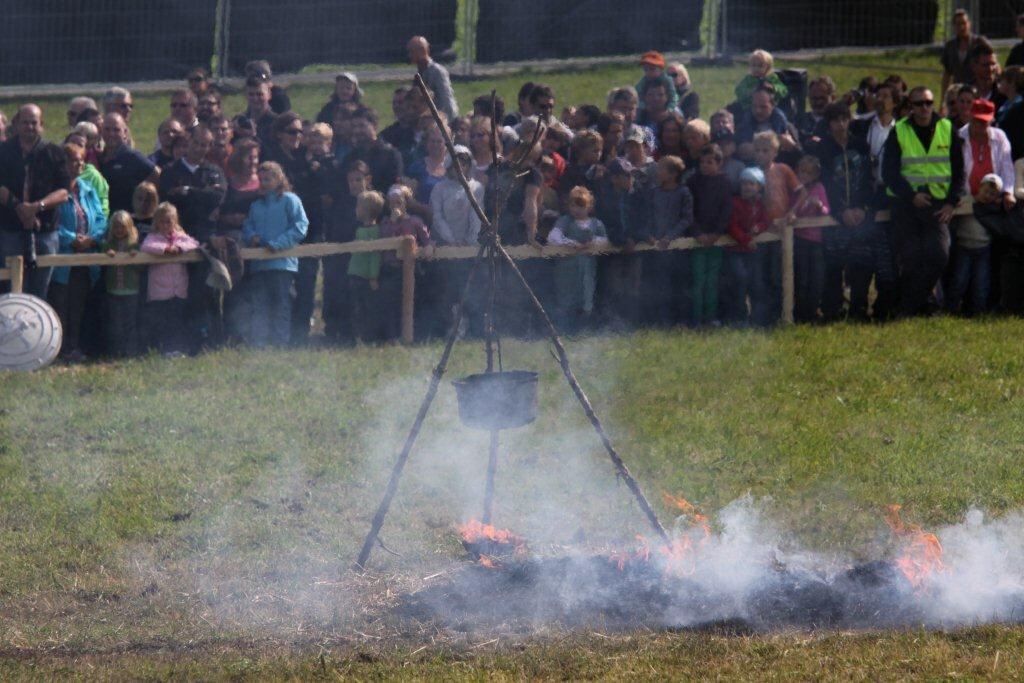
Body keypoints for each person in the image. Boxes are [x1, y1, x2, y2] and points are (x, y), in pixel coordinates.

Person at [883, 86, 964, 317]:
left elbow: (959, 171)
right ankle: (919, 305)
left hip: (937, 204)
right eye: (919, 104)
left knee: (939, 255)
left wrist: (951, 202)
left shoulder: (948, 128)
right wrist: (911, 196)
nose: (924, 108)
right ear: (910, 107)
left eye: (928, 102)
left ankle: (907, 306)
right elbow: (889, 172)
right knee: (910, 257)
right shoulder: (899, 131)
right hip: (906, 204)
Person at [816, 103, 890, 321]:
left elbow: (868, 179)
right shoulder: (823, 148)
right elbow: (825, 182)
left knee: (860, 262)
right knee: (833, 264)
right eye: (835, 120)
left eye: (844, 119)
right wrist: (840, 211)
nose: (840, 124)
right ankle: (832, 309)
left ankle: (858, 308)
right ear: (828, 123)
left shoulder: (861, 146)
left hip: (859, 213)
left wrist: (861, 208)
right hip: (834, 215)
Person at [949, 100, 1015, 315]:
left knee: (988, 259)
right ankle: (956, 303)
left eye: (985, 123)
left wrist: (1007, 192)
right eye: (977, 122)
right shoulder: (959, 137)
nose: (981, 127)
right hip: (968, 202)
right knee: (965, 254)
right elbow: (958, 172)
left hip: (992, 203)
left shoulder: (1000, 138)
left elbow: (1006, 167)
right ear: (970, 117)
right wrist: (972, 197)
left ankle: (981, 304)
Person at [0, 104, 71, 297]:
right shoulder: (3, 151)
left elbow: (64, 191)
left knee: (40, 291)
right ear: (16, 124)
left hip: (45, 231)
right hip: (10, 230)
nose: (29, 127)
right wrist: (19, 208)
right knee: (10, 289)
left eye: (34, 123)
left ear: (41, 125)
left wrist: (36, 207)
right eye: (25, 122)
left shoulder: (54, 152)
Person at [48, 141, 106, 360]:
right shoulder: (54, 190)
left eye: (81, 160)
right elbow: (50, 224)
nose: (78, 164)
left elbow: (100, 218)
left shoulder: (88, 190)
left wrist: (92, 238)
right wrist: (73, 239)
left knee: (78, 306)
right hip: (62, 259)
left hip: (85, 258)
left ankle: (73, 347)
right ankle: (57, 351)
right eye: (73, 160)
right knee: (60, 304)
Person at [242, 161, 308, 347]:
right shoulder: (256, 206)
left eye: (268, 179)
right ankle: (259, 344)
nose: (263, 183)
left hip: (282, 264)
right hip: (260, 264)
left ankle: (281, 343)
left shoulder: (290, 200)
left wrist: (278, 245)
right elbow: (248, 226)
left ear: (279, 179)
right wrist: (251, 236)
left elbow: (300, 226)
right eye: (261, 179)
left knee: (281, 305)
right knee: (259, 305)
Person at [754, 130, 805, 325]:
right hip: (760, 232)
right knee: (759, 277)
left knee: (777, 275)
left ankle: (778, 315)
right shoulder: (752, 173)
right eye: (757, 150)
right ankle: (761, 317)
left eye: (765, 150)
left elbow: (801, 192)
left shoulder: (783, 169)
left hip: (781, 232)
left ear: (775, 151)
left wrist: (792, 212)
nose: (761, 154)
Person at [593, 158, 649, 329]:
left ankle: (631, 321)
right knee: (613, 286)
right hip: (613, 250)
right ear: (614, 178)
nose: (630, 178)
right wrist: (621, 240)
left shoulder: (638, 195)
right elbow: (604, 224)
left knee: (633, 286)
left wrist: (635, 238)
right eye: (625, 175)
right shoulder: (603, 198)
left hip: (635, 248)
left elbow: (643, 220)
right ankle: (612, 322)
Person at [140, 202, 199, 356]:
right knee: (162, 322)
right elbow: (146, 247)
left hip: (178, 288)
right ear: (157, 222)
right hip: (160, 290)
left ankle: (178, 348)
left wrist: (179, 248)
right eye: (163, 221)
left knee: (177, 320)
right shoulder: (153, 237)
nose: (166, 225)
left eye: (169, 221)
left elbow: (194, 243)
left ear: (175, 222)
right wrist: (166, 249)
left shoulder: (181, 237)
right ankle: (163, 349)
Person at [547, 185, 608, 331]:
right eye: (573, 205)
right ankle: (563, 328)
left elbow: (604, 240)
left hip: (587, 267)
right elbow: (553, 237)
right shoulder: (565, 221)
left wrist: (592, 243)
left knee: (586, 296)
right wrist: (570, 243)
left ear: (589, 206)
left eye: (581, 206)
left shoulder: (596, 223)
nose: (577, 209)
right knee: (566, 297)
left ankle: (583, 329)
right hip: (566, 268)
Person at [644, 154, 694, 326]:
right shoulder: (653, 192)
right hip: (656, 248)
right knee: (658, 284)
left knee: (678, 285)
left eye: (661, 169)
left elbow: (686, 219)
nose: (657, 172)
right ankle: (658, 320)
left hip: (676, 249)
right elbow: (648, 215)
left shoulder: (683, 193)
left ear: (673, 174)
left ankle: (679, 320)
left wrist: (670, 237)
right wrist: (649, 234)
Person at [686, 144, 732, 327]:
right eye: (702, 162)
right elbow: (688, 210)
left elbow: (726, 209)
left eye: (710, 162)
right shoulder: (692, 182)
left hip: (716, 239)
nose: (705, 165)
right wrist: (697, 233)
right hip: (697, 239)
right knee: (698, 280)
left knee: (712, 280)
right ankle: (696, 318)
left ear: (719, 163)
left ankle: (710, 316)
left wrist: (716, 233)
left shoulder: (725, 182)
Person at [379, 184, 431, 340]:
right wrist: (393, 223)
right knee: (391, 304)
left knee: (413, 302)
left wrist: (429, 247)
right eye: (392, 203)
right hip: (391, 268)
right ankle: (392, 337)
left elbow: (426, 238)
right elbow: (384, 239)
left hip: (411, 269)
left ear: (406, 203)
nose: (396, 206)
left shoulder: (415, 221)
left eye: (399, 202)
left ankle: (414, 335)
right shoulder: (386, 223)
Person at [726, 167, 771, 326]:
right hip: (737, 250)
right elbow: (732, 226)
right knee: (740, 280)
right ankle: (739, 317)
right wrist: (746, 239)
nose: (747, 187)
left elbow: (766, 221)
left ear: (759, 186)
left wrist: (758, 227)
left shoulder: (760, 205)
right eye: (744, 183)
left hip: (752, 252)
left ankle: (757, 318)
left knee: (756, 283)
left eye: (751, 183)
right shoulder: (735, 203)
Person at [790, 155, 830, 323]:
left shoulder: (819, 188)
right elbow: (791, 212)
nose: (804, 175)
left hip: (817, 242)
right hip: (800, 240)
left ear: (815, 175)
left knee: (817, 278)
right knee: (802, 278)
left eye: (809, 172)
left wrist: (819, 206)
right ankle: (800, 313)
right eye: (802, 171)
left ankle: (812, 312)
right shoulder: (795, 190)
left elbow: (827, 211)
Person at [99, 112, 159, 214]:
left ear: (125, 133)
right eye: (107, 129)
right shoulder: (98, 156)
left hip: (128, 217)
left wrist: (143, 199)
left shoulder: (131, 156)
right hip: (105, 216)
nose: (111, 134)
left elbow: (156, 173)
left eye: (116, 130)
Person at [101, 211, 142, 357]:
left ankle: (130, 352)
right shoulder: (108, 244)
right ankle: (115, 352)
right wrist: (108, 253)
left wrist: (134, 258)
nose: (119, 230)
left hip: (131, 291)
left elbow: (140, 268)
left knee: (130, 323)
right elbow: (103, 251)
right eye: (116, 227)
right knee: (115, 324)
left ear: (129, 227)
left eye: (122, 227)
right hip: (113, 290)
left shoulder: (134, 245)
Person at [347, 189, 386, 342]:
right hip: (354, 273)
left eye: (359, 206)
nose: (356, 209)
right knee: (355, 307)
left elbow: (374, 256)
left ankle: (367, 337)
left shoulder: (375, 231)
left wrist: (373, 276)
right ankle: (356, 337)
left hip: (365, 276)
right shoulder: (359, 229)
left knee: (366, 308)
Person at [344, 106, 403, 192]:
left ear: (375, 125)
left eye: (361, 126)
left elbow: (395, 187)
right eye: (354, 126)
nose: (357, 130)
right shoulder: (350, 157)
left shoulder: (390, 155)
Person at [407, 36, 458, 121]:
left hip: (442, 120)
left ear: (421, 51)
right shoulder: (420, 73)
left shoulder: (437, 72)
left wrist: (445, 121)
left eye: (412, 52)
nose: (409, 55)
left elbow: (445, 98)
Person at [941, 10, 987, 97]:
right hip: (958, 93)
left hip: (978, 91)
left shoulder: (979, 42)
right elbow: (947, 74)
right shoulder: (950, 46)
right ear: (954, 26)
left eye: (964, 23)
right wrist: (943, 99)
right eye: (958, 24)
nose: (962, 27)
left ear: (969, 24)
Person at [996, 66, 1024, 159]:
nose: (999, 83)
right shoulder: (1004, 105)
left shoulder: (1019, 107)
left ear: (1012, 83)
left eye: (1002, 80)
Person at [245, 77, 278, 147]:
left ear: (269, 95)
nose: (255, 98)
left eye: (260, 94)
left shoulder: (277, 123)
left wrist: (253, 135)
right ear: (246, 96)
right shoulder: (241, 120)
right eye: (251, 94)